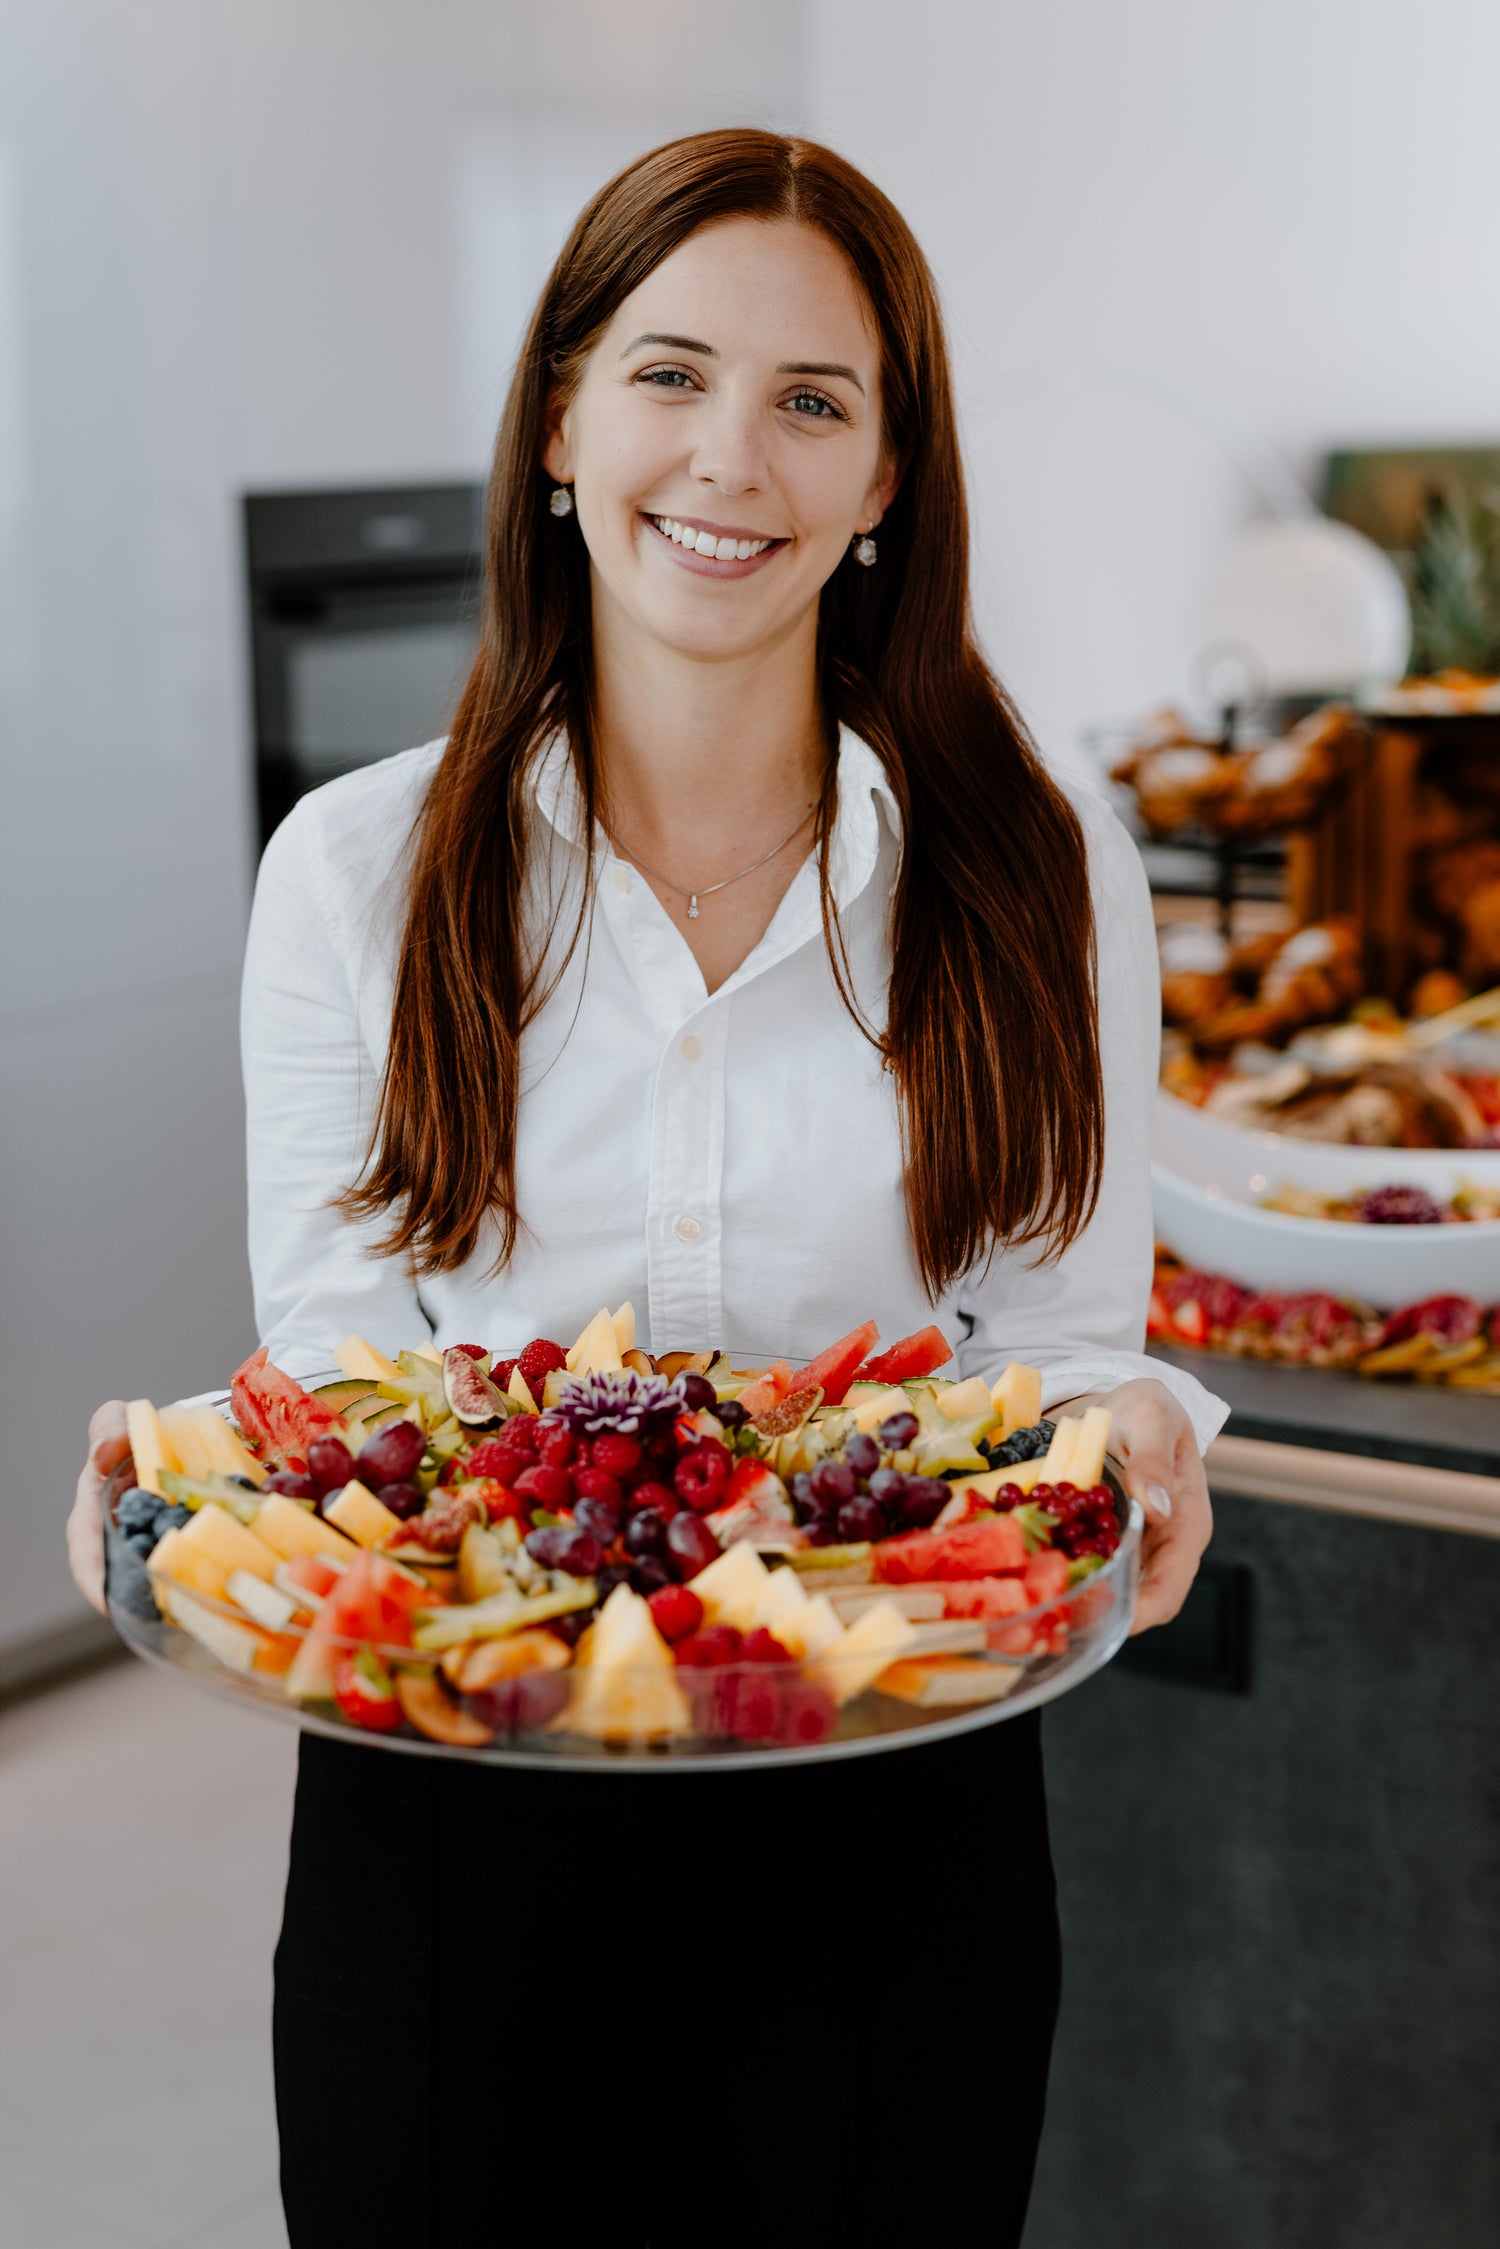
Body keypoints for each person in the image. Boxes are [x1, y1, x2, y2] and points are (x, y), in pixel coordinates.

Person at [70, 128, 1224, 2247]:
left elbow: (1057, 1346)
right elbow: (345, 1364)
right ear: (557, 424)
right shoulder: (354, 873)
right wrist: (205, 1477)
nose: (730, 460)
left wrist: (1137, 1430)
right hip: (448, 1819)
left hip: (904, 1813)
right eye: (669, 374)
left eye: (814, 400)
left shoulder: (1039, 866)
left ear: (887, 481)